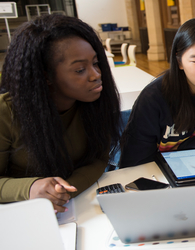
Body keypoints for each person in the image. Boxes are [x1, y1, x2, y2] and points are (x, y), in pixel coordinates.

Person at [0, 14, 121, 213]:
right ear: (45, 76)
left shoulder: (93, 104)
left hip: (72, 207)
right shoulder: (6, 113)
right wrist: (30, 188)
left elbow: (99, 160)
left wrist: (64, 191)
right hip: (18, 213)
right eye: (80, 70)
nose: (96, 75)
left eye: (96, 63)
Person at [120, 18, 195, 168]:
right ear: (179, 62)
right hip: (161, 173)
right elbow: (136, 160)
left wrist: (183, 149)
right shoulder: (153, 98)